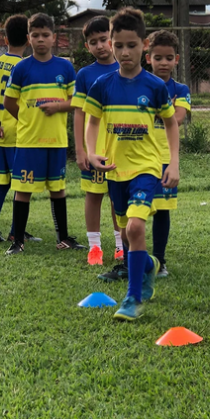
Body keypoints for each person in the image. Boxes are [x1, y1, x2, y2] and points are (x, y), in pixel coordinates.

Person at [85, 8, 179, 321]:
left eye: (132, 45)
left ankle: (133, 298)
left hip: (147, 168)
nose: (125, 52)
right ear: (111, 44)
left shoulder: (155, 86)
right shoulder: (102, 85)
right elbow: (92, 122)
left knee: (136, 228)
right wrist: (91, 152)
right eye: (119, 46)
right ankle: (149, 265)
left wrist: (173, 163)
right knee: (126, 233)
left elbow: (171, 124)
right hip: (116, 170)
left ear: (144, 45)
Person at [3, 13, 86, 255]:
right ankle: (18, 241)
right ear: (28, 38)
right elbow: (9, 102)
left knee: (58, 189)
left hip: (56, 141)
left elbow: (76, 101)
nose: (41, 39)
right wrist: (27, 120)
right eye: (36, 35)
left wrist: (58, 107)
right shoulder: (21, 68)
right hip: (29, 142)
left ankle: (64, 238)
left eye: (45, 35)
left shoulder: (65, 67)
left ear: (54, 38)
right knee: (23, 190)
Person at [0, 14, 42, 243]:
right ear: (29, 39)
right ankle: (16, 231)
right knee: (23, 185)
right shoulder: (26, 67)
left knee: (2, 183)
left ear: (5, 39)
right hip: (18, 134)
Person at [71, 15, 123, 266]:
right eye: (94, 42)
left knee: (118, 197)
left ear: (113, 39)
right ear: (87, 46)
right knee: (93, 195)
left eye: (104, 39)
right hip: (94, 148)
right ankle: (94, 248)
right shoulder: (85, 74)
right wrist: (80, 150)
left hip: (120, 147)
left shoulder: (127, 69)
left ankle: (121, 246)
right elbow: (79, 113)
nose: (100, 46)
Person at [146, 30, 191, 277]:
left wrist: (151, 110)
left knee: (162, 210)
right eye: (158, 58)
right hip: (138, 156)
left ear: (177, 59)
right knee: (134, 210)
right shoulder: (138, 83)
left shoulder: (181, 89)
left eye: (169, 58)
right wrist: (164, 110)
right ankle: (131, 260)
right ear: (148, 58)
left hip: (164, 158)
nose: (163, 63)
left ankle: (159, 261)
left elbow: (177, 119)